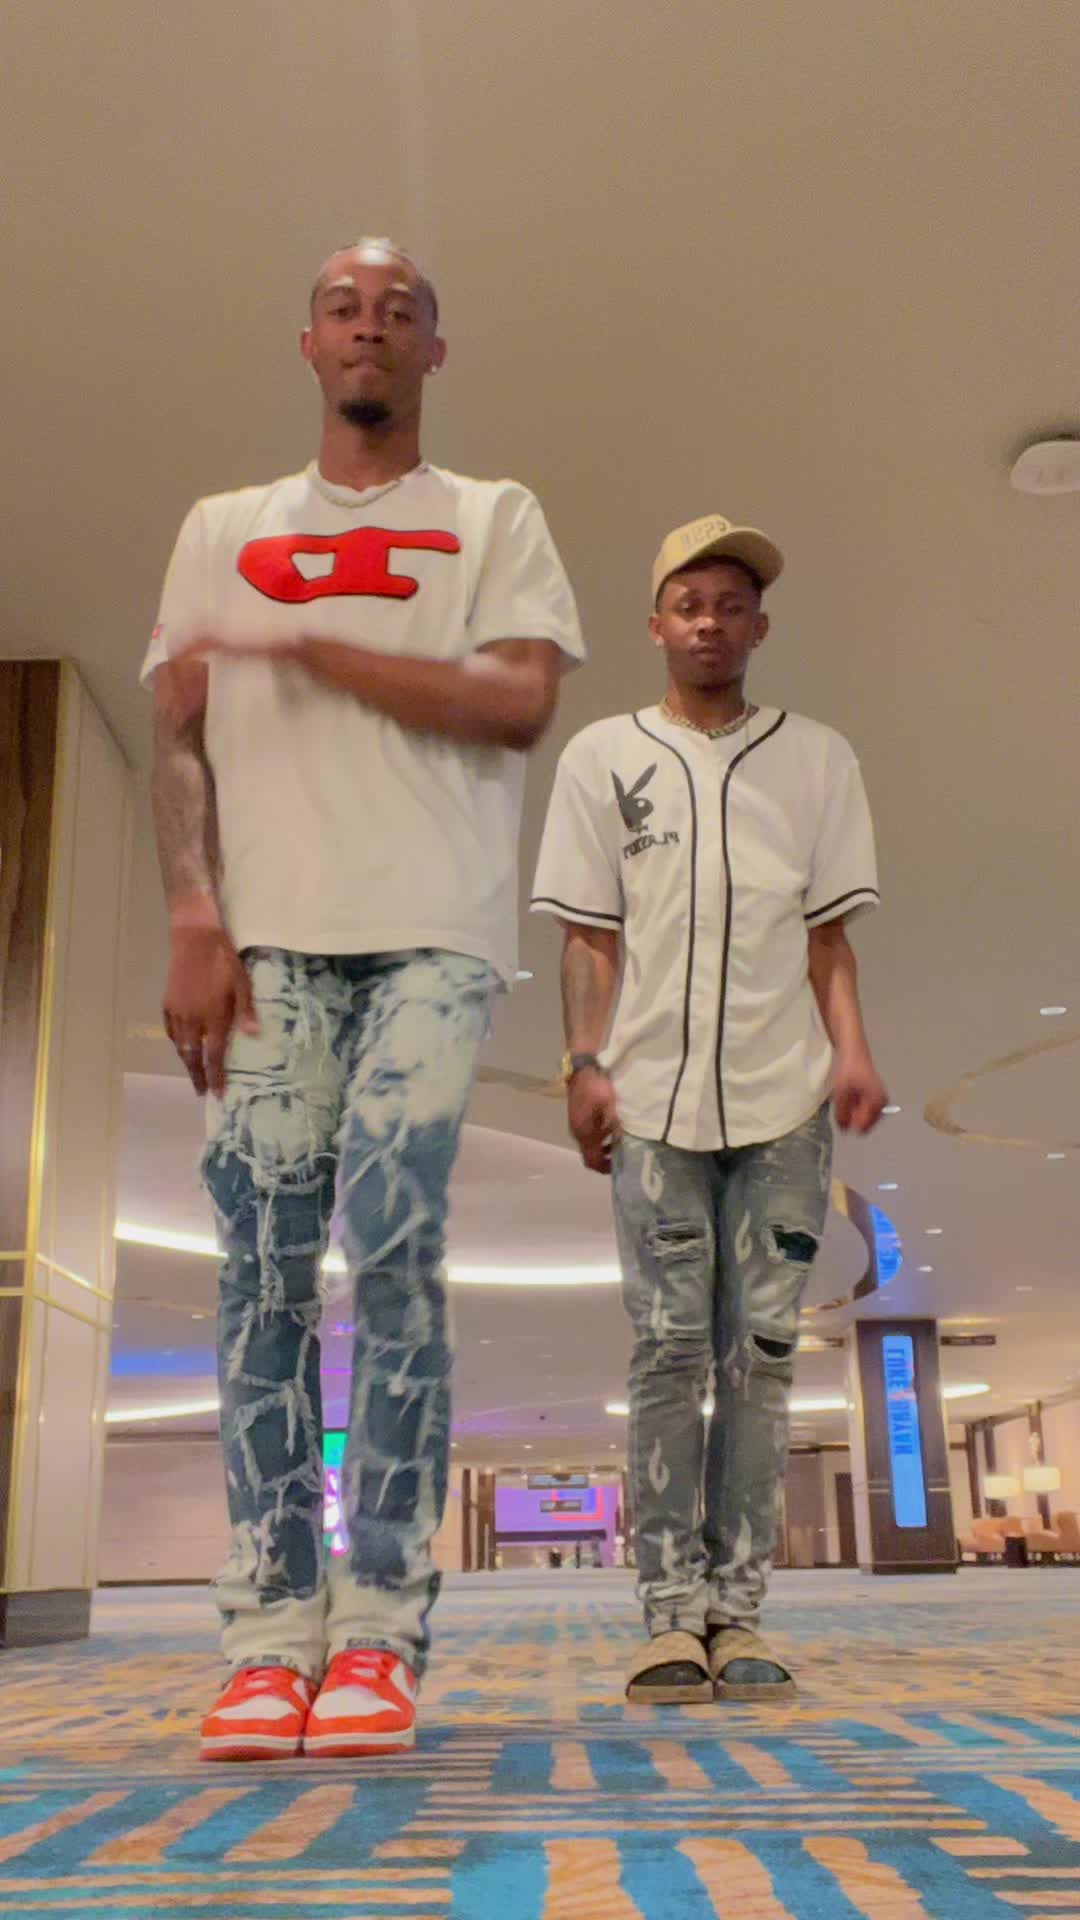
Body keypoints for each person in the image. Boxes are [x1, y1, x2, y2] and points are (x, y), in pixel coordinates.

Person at [143, 238, 583, 1760]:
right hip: (266, 943)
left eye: (400, 313)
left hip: (432, 936)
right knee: (259, 1268)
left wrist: (313, 646)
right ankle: (270, 1635)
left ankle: (380, 1629)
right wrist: (193, 910)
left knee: (393, 1244)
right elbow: (178, 735)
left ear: (432, 352)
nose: (370, 329)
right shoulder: (222, 529)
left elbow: (519, 700)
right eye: (344, 309)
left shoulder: (492, 515)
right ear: (310, 343)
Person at [531, 514, 886, 1703]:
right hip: (650, 1106)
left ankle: (739, 1613)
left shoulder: (819, 758)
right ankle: (669, 1615)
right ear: (656, 625)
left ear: (759, 628)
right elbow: (589, 935)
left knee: (764, 1356)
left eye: (732, 606)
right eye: (690, 605)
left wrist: (854, 1053)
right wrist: (584, 1063)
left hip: (787, 1101)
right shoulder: (602, 758)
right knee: (668, 1350)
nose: (710, 624)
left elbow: (828, 937)